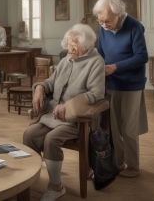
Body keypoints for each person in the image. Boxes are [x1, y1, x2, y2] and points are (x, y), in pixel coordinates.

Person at [23, 24, 105, 201]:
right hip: (53, 115)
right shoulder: (66, 59)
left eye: (73, 45)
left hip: (77, 119)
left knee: (51, 140)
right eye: (68, 44)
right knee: (29, 134)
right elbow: (50, 83)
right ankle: (33, 175)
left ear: (86, 44)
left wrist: (68, 106)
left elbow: (97, 94)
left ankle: (56, 186)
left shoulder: (95, 62)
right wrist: (38, 88)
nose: (69, 49)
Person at [92, 0, 148, 178]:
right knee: (114, 129)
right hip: (112, 83)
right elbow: (100, 53)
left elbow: (142, 56)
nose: (104, 24)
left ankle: (134, 166)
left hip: (132, 85)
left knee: (129, 129)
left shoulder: (134, 26)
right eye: (100, 21)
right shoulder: (103, 28)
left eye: (107, 20)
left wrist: (115, 67)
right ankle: (119, 162)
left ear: (119, 14)